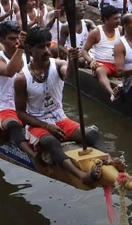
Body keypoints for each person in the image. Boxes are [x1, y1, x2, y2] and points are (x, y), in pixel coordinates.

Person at [14, 26, 125, 187]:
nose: (46, 50)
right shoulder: (21, 78)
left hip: (60, 119)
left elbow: (69, 76)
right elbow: (21, 114)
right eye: (41, 47)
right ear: (30, 49)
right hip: (37, 125)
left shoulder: (57, 64)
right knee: (52, 144)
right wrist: (46, 126)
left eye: (48, 45)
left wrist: (72, 62)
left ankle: (109, 163)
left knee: (92, 134)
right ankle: (82, 176)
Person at [0, 21, 33, 155]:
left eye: (18, 38)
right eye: (12, 39)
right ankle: (33, 156)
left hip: (26, 108)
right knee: (15, 126)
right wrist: (20, 47)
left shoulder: (28, 58)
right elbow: (9, 72)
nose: (16, 42)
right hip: (6, 108)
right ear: (2, 40)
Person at [81, 5, 122, 100]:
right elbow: (84, 51)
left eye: (118, 18)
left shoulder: (120, 30)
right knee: (99, 71)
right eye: (115, 19)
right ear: (106, 20)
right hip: (103, 64)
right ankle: (112, 92)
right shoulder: (96, 32)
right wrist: (91, 61)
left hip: (118, 64)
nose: (118, 21)